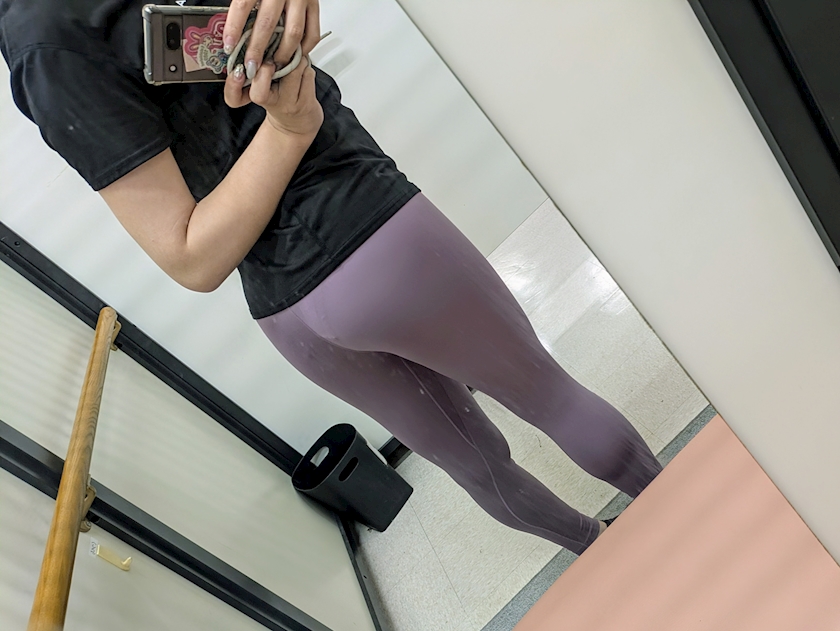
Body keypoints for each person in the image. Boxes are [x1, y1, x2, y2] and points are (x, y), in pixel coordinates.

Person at [0, 0, 662, 555]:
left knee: (477, 463)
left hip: (290, 309)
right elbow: (189, 257)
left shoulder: (40, 47)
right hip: (365, 229)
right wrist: (291, 129)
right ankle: (683, 521)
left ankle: (605, 550)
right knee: (548, 397)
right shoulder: (46, 45)